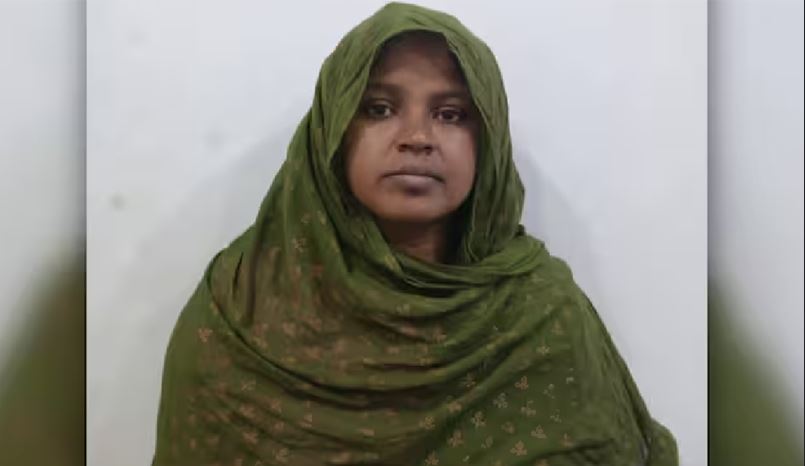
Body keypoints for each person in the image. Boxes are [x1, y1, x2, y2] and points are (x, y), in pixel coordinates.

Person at [152, 3, 677, 465]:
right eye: (379, 109)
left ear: (487, 143)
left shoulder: (542, 315)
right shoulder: (241, 312)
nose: (418, 138)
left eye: (450, 114)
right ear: (333, 132)